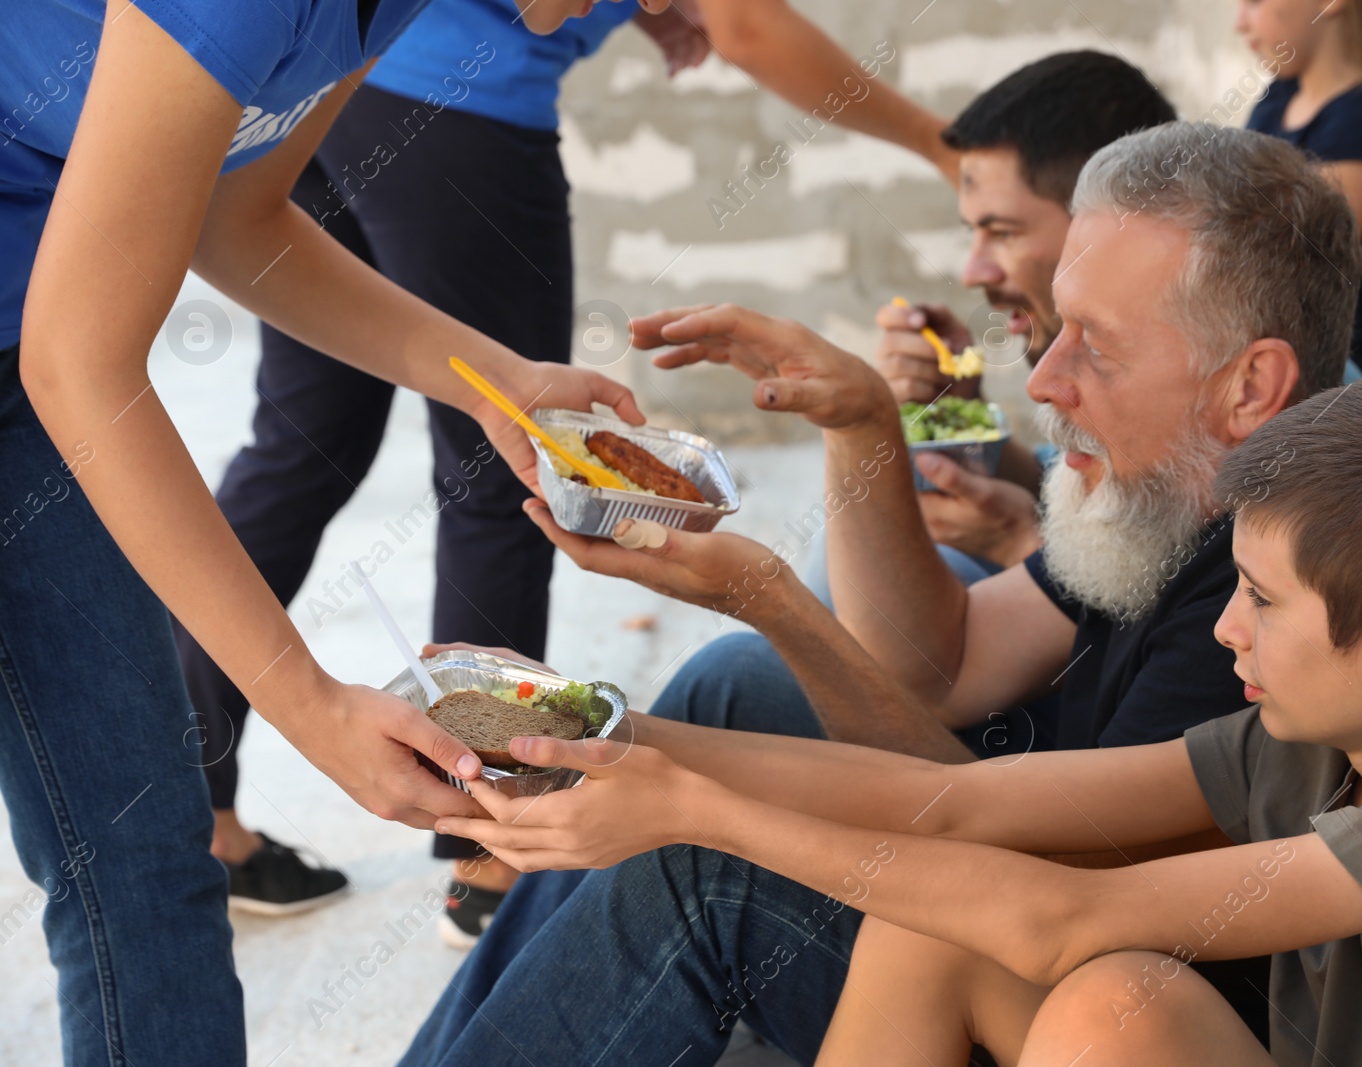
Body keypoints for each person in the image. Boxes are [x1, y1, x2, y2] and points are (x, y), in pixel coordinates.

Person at [401, 122, 1362, 1062]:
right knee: (735, 683)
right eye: (1052, 324)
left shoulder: (1266, 612)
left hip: (1079, 977)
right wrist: (863, 424)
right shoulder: (1165, 497)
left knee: (700, 866)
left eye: (1095, 346)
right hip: (1021, 860)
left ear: (1250, 389)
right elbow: (942, 667)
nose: (1043, 377)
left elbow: (1010, 874)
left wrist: (761, 615)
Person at [429, 370, 1362, 1066]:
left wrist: (702, 817)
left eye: (1260, 598)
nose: (1228, 627)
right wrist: (582, 729)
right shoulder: (1312, 740)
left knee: (1108, 1002)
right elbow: (951, 798)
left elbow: (1066, 915)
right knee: (931, 914)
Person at [169, 0, 967, 935]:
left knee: (304, 448)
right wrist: (943, 144)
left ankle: (195, 814)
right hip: (456, 120)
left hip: (331, 116)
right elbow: (745, 22)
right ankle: (491, 848)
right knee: (510, 475)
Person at [0, 0, 657, 1061]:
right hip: (49, 357)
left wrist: (499, 381)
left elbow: (240, 220)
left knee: (142, 850)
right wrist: (307, 702)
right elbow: (83, 363)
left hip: (22, 349)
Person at [861, 51, 1174, 587]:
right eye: (972, 233)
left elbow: (1174, 624)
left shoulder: (1190, 387)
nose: (972, 270)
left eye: (1003, 232)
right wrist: (964, 418)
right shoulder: (1108, 369)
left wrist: (1021, 544)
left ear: (1103, 225)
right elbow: (1069, 484)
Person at [1235, 0, 1362, 372]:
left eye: (1254, 1)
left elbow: (1283, 270)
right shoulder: (1278, 98)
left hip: (1318, 389)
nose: (1240, 23)